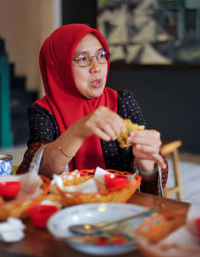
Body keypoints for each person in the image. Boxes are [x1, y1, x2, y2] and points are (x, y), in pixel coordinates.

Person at [17, 23, 168, 196]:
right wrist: (79, 130)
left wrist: (146, 163)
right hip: (68, 211)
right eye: (83, 58)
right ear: (59, 66)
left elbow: (155, 179)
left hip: (121, 207)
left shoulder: (123, 101)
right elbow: (33, 173)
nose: (97, 67)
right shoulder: (43, 111)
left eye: (101, 55)